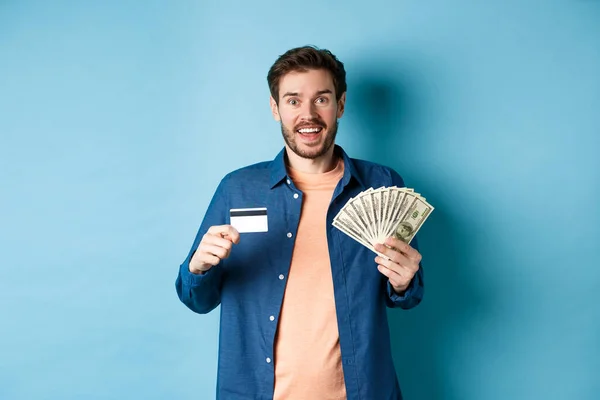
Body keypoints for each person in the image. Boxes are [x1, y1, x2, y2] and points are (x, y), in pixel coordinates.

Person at [175, 45, 424, 400]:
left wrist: (405, 282)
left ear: (340, 105)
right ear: (276, 109)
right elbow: (196, 299)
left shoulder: (383, 184)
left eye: (321, 99)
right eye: (293, 101)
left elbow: (406, 296)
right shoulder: (238, 189)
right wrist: (197, 268)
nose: (308, 114)